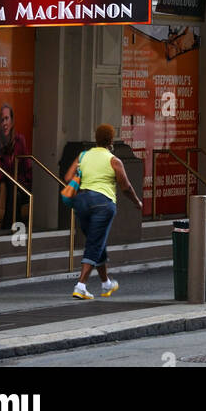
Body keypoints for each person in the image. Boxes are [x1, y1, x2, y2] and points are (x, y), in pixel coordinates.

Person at [64, 123, 143, 299]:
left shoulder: (83, 155)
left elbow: (68, 177)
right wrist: (137, 202)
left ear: (96, 139)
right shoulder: (114, 160)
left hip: (82, 203)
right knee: (94, 243)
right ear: (111, 140)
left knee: (96, 240)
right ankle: (81, 285)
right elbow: (126, 187)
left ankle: (106, 283)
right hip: (103, 204)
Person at [0, 102, 32, 230]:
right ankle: (10, 229)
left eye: (7, 118)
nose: (4, 123)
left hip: (22, 186)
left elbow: (27, 167)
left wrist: (24, 183)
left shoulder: (20, 140)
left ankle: (8, 228)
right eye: (2, 120)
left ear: (12, 121)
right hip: (7, 188)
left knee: (14, 189)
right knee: (9, 185)